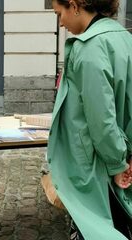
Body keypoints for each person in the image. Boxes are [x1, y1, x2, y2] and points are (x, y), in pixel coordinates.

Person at [47, 0, 132, 239]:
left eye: (59, 13)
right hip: (120, 156)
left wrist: (118, 165)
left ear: (74, 6)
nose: (61, 22)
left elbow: (101, 119)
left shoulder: (89, 47)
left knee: (97, 228)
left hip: (96, 165)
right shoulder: (125, 38)